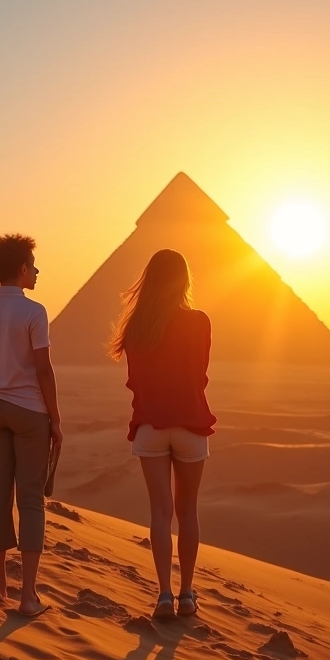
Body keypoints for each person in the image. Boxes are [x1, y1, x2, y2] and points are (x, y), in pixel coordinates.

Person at [109, 249, 216, 620]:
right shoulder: (200, 321)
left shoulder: (136, 325)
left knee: (160, 512)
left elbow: (134, 379)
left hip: (150, 426)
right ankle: (187, 593)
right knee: (188, 511)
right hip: (190, 424)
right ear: (184, 281)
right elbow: (200, 374)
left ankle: (164, 595)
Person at [0, 234, 62, 617]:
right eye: (33, 264)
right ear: (21, 268)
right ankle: (28, 596)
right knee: (31, 499)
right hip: (29, 411)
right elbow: (43, 369)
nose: (37, 270)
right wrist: (55, 418)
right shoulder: (34, 312)